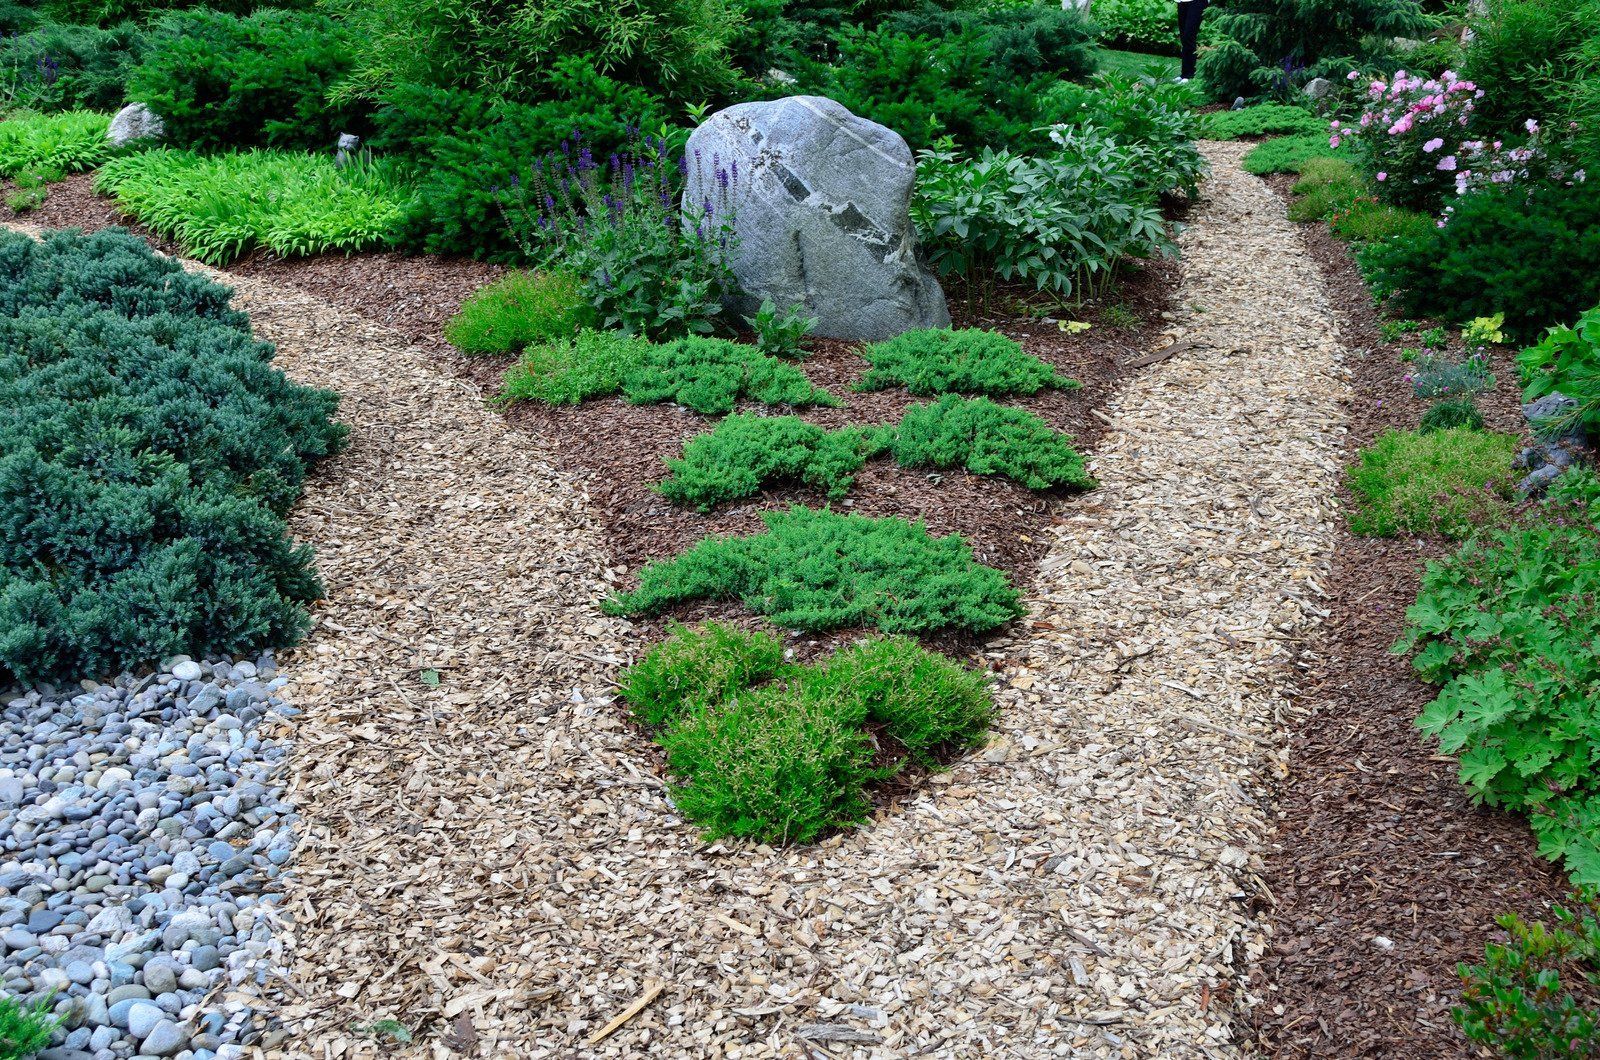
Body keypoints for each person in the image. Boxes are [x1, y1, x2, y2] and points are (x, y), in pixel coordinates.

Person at [1177, 0, 1208, 83]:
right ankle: (1184, 74)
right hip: (1182, 2)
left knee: (1189, 36)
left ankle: (1189, 74)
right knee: (1184, 37)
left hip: (1197, 2)